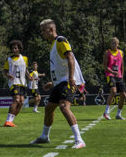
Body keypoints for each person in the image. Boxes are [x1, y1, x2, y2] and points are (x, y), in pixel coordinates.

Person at [31, 19, 86, 149]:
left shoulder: (61, 40)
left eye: (43, 30)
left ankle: (79, 140)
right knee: (49, 107)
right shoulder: (53, 44)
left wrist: (71, 78)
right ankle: (44, 136)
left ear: (51, 30)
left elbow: (70, 58)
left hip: (67, 81)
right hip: (60, 82)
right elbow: (60, 65)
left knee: (63, 106)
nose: (42, 33)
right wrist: (52, 82)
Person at [3, 40, 29, 127]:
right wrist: (8, 75)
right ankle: (7, 121)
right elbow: (5, 71)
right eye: (12, 48)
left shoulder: (24, 58)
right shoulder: (9, 60)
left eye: (15, 48)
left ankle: (11, 121)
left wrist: (29, 76)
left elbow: (26, 69)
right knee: (17, 100)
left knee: (21, 102)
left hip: (23, 83)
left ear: (19, 49)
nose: (14, 50)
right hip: (14, 83)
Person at [102, 37, 126, 120]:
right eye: (112, 43)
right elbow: (105, 66)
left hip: (119, 76)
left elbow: (122, 65)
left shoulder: (121, 52)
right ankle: (106, 112)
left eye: (115, 43)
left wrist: (122, 75)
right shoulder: (107, 53)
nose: (113, 45)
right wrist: (112, 72)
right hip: (110, 75)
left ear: (118, 44)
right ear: (110, 44)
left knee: (123, 95)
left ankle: (118, 114)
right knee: (113, 91)